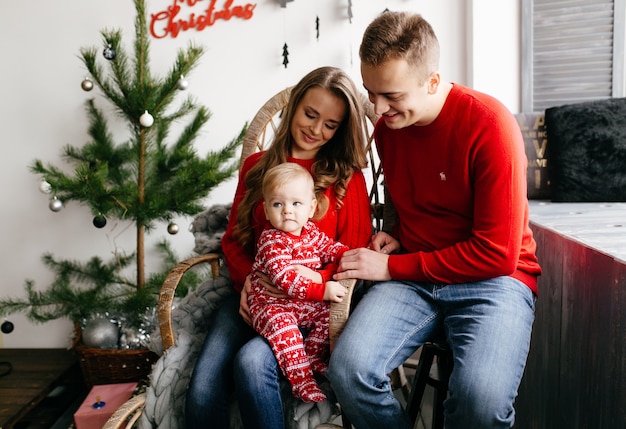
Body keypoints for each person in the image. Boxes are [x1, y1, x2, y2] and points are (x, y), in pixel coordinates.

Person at [327, 11, 542, 429]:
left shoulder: (490, 126)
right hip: (415, 276)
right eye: (371, 92)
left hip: (494, 281)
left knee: (481, 403)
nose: (378, 108)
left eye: (390, 95)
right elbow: (403, 192)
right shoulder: (391, 126)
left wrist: (391, 267)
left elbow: (496, 255)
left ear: (431, 81)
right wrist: (394, 231)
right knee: (349, 371)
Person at [185, 66, 372, 429]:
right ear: (294, 106)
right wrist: (247, 285)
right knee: (203, 385)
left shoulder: (347, 178)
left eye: (330, 124)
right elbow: (234, 239)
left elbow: (352, 254)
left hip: (310, 307)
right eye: (310, 114)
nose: (316, 129)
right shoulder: (257, 166)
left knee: (251, 363)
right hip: (254, 298)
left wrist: (312, 279)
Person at [248, 163, 350, 403]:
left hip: (304, 303)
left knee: (329, 315)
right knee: (287, 333)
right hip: (272, 305)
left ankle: (314, 356)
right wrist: (323, 289)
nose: (287, 211)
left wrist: (349, 255)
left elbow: (329, 249)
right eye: (277, 204)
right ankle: (301, 381)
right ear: (266, 209)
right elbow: (287, 281)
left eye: (296, 203)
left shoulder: (310, 232)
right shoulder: (271, 240)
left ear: (311, 207)